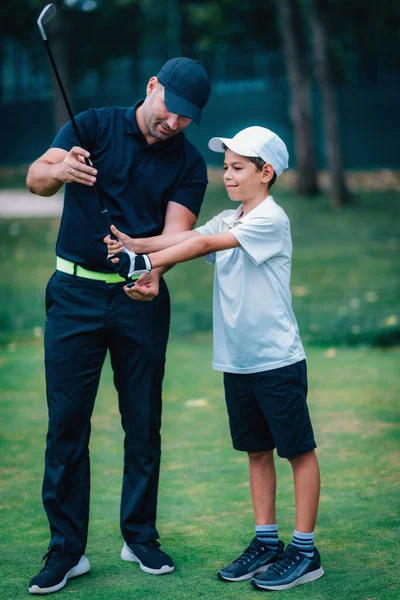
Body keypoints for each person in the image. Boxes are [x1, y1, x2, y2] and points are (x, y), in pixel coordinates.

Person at [104, 126, 324, 592]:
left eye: (238, 167)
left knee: (298, 452)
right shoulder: (228, 218)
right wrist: (145, 259)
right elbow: (184, 243)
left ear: (266, 173)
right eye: (225, 167)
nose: (227, 175)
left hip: (277, 360)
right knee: (256, 451)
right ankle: (267, 541)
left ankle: (304, 551)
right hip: (239, 362)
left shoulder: (270, 219)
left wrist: (139, 254)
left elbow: (199, 246)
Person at [25, 57, 211, 595]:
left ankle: (140, 536)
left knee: (143, 418)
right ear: (152, 87)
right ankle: (66, 550)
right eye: (171, 109)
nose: (174, 123)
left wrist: (156, 271)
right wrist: (60, 171)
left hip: (141, 299)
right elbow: (37, 178)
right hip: (74, 294)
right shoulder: (91, 126)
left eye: (186, 118)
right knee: (67, 425)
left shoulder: (190, 163)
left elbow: (177, 233)